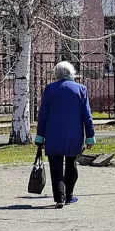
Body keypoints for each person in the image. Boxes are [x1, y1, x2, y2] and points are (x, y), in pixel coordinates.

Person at [35, 60, 95, 208]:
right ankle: (69, 196)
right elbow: (87, 116)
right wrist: (90, 137)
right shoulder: (81, 89)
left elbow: (43, 115)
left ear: (56, 74)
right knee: (71, 165)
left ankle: (59, 198)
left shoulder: (50, 89)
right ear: (72, 73)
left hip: (53, 135)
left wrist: (40, 136)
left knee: (55, 167)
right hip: (74, 135)